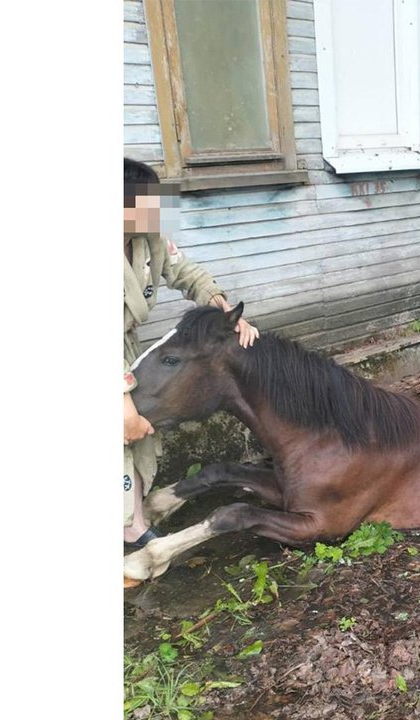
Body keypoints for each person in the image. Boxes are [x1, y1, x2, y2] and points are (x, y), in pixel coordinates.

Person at [123, 157, 260, 551]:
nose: (155, 212)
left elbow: (187, 272)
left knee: (138, 436)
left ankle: (131, 522)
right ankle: (128, 527)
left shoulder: (149, 238)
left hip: (126, 350)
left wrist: (222, 309)